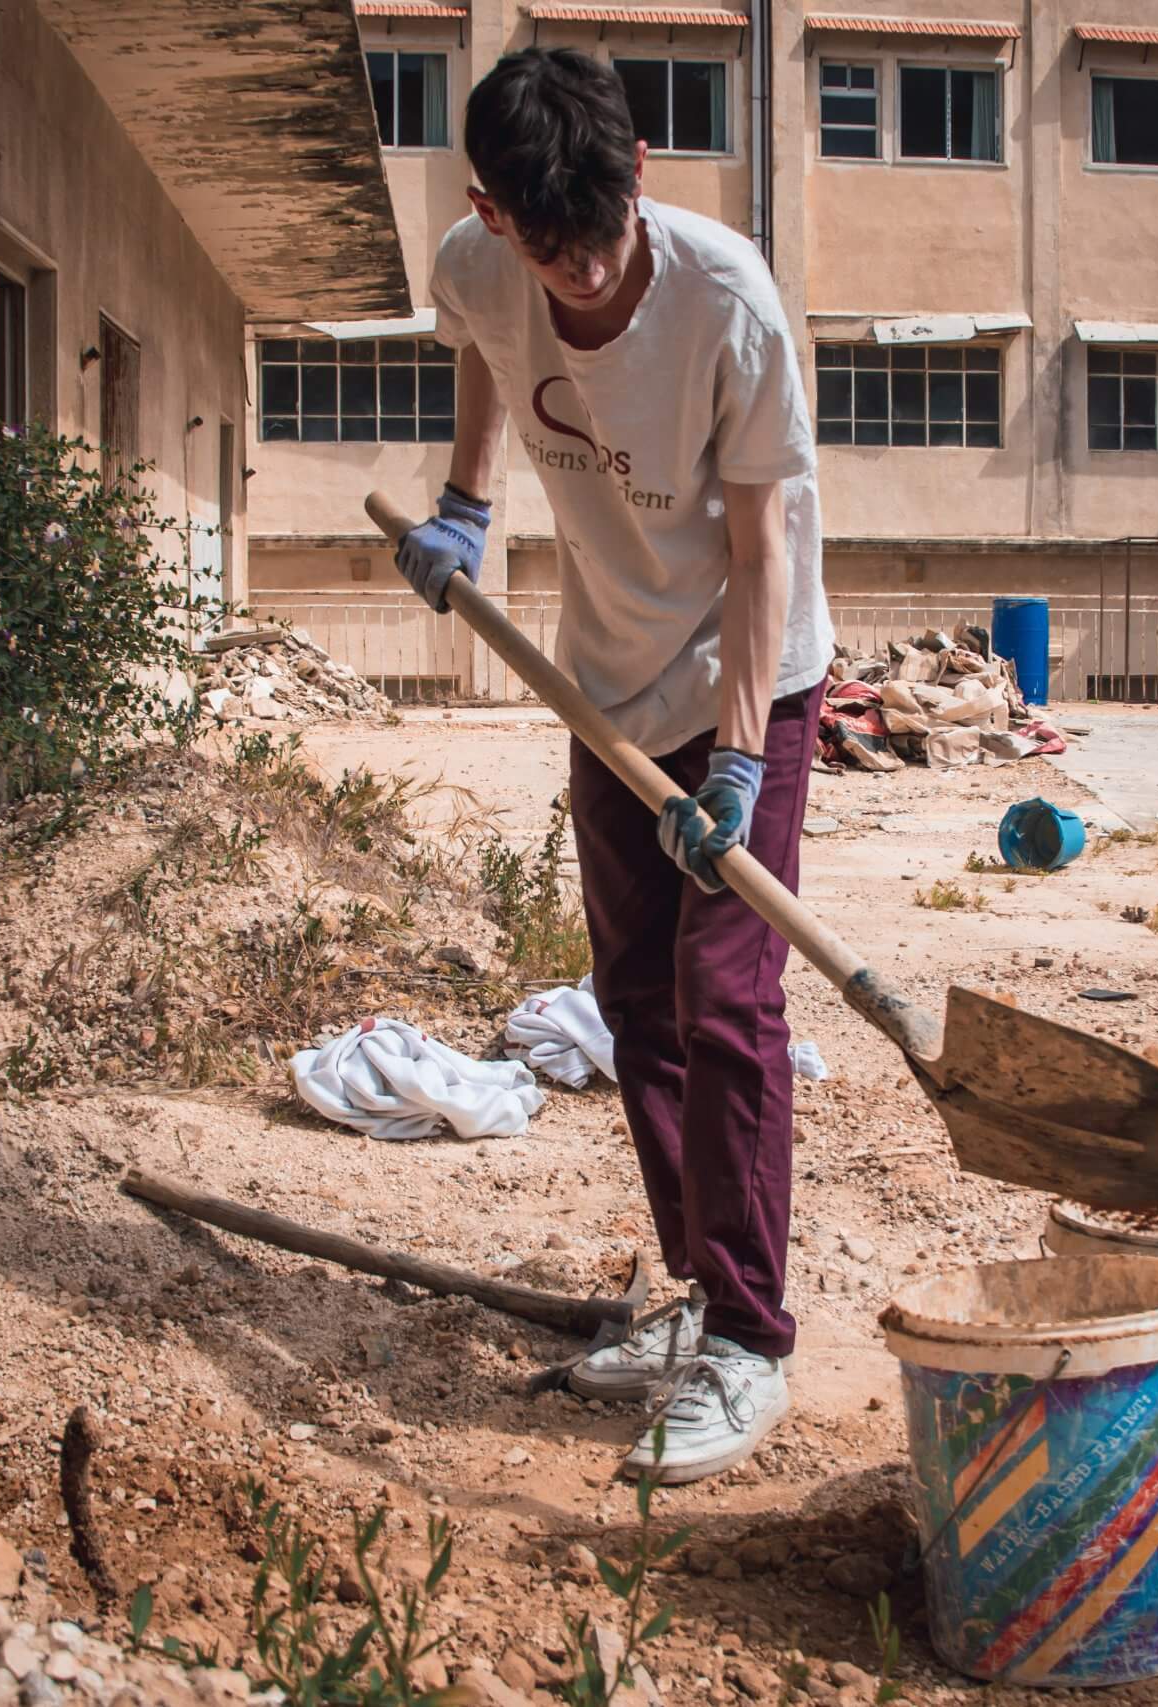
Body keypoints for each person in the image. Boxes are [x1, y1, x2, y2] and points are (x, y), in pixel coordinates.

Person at [393, 46, 832, 1486]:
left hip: (746, 678)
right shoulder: (483, 256)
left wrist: (743, 766)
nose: (576, 278)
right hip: (605, 689)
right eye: (545, 247)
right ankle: (697, 1294)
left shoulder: (729, 302)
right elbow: (477, 336)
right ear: (493, 211)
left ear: (641, 174)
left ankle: (752, 1342)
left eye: (597, 240)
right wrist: (468, 504)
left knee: (725, 996)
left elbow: (765, 548)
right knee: (637, 1002)